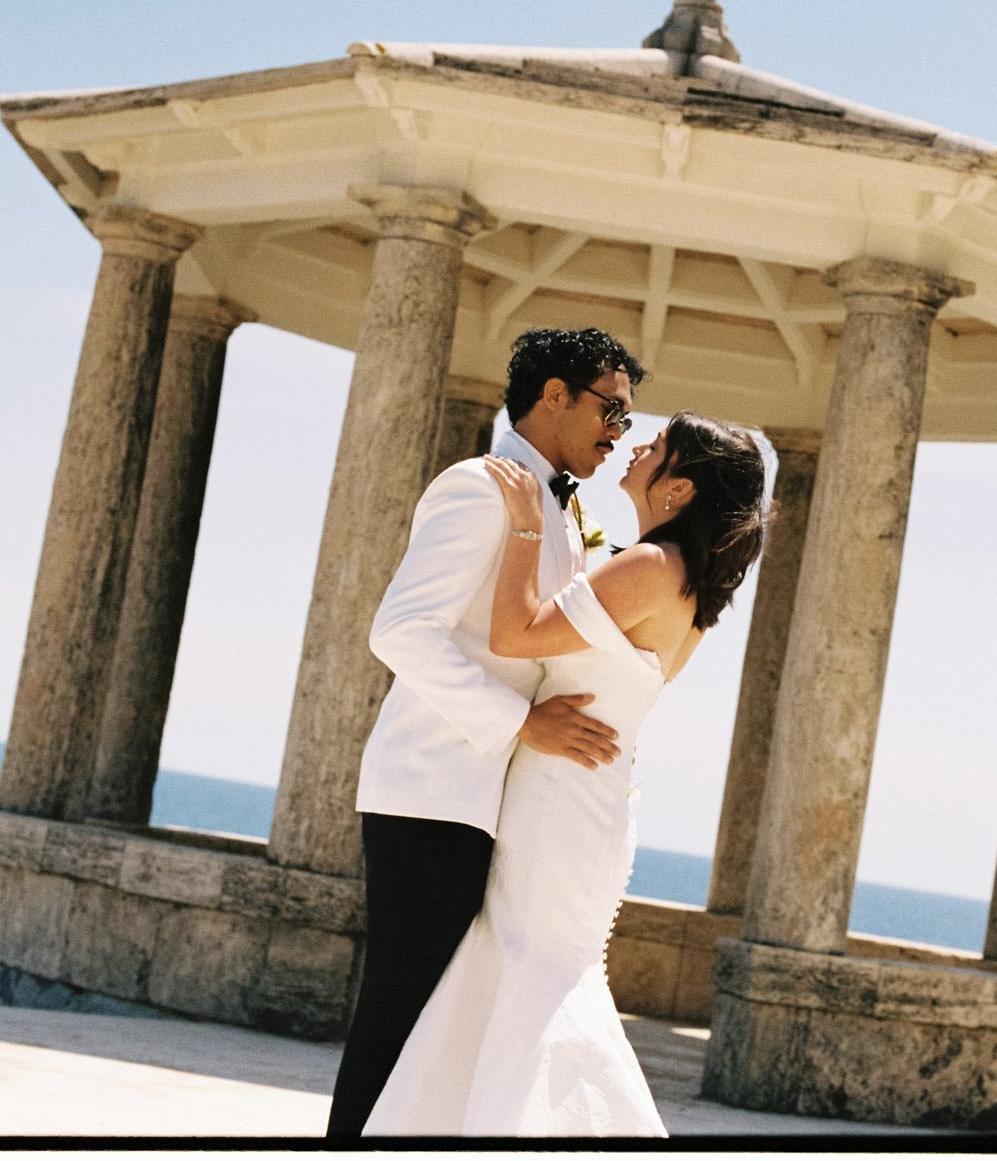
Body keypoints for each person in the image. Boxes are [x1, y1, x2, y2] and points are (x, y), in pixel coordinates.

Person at [363, 410, 769, 1137]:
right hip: (588, 796)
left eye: (658, 446)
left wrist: (526, 528)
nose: (636, 444)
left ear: (679, 487)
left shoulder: (650, 566)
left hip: (559, 797)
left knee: (530, 972)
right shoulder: (688, 583)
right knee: (534, 971)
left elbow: (513, 633)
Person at [324, 327, 646, 1138]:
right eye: (611, 410)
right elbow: (400, 630)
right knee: (399, 1019)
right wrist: (522, 725)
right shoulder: (479, 487)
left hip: (483, 805)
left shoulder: (558, 508)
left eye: (629, 420)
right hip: (430, 791)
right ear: (554, 395)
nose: (619, 432)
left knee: (430, 1034)